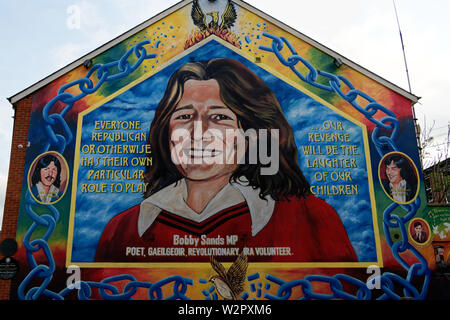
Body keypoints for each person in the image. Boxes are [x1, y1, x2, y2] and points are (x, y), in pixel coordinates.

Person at [95, 58, 357, 263]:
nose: (198, 133)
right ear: (167, 133)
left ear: (250, 133)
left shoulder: (310, 218)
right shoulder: (123, 230)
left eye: (220, 118)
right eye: (184, 116)